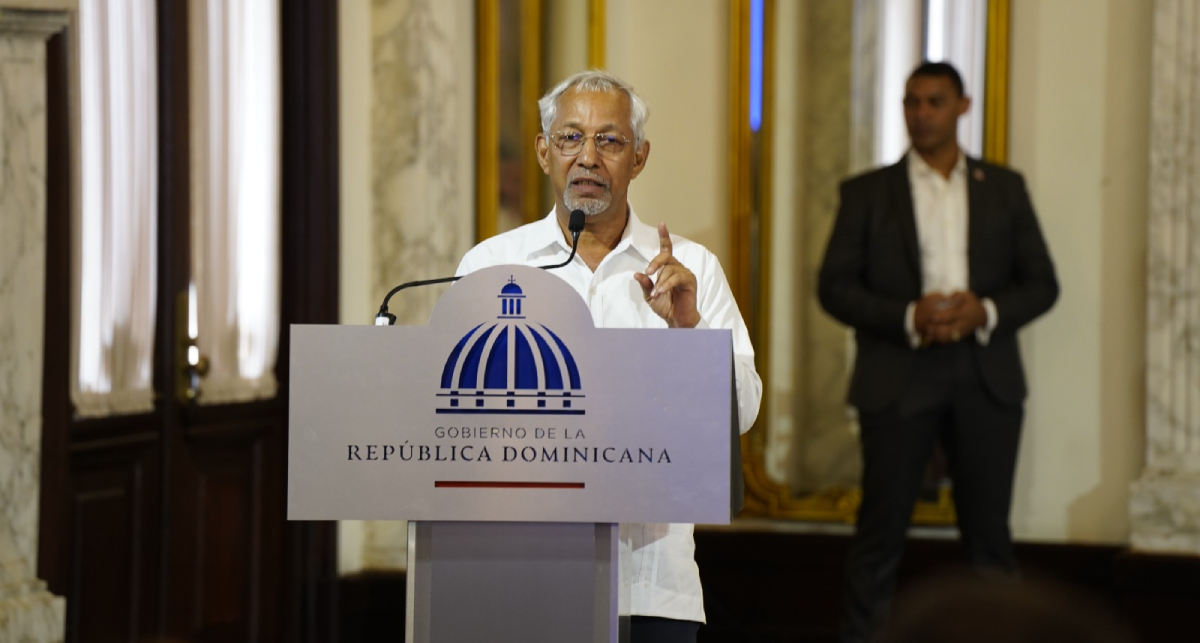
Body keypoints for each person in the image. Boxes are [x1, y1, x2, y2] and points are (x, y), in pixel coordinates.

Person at [456, 70, 762, 643]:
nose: (588, 157)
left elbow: (742, 413)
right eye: (571, 138)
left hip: (650, 582)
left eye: (610, 140)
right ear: (545, 152)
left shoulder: (692, 270)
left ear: (639, 158)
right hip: (521, 575)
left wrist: (689, 330)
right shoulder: (491, 267)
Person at [817, 61, 1059, 643]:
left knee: (989, 540)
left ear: (962, 107)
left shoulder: (1004, 187)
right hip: (899, 373)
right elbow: (834, 287)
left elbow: (1042, 283)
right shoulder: (867, 192)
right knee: (879, 536)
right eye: (911, 102)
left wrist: (986, 312)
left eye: (934, 102)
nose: (921, 114)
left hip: (984, 373)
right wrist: (907, 316)